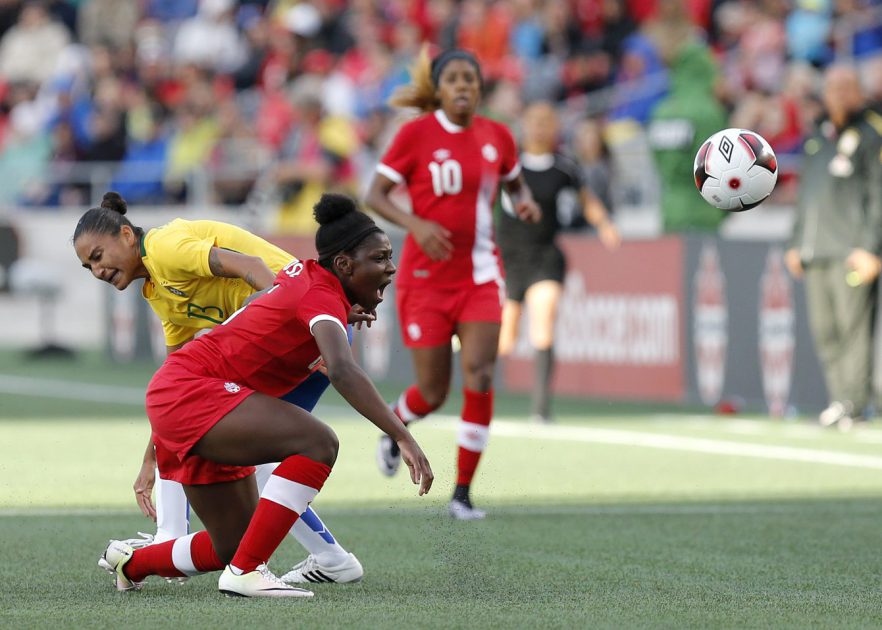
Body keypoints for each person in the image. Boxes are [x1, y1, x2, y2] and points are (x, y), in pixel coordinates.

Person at [90, 193, 433, 597]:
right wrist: (402, 435)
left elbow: (269, 300)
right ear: (343, 265)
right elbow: (342, 369)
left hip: (189, 396)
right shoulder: (314, 292)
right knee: (317, 443)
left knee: (232, 543)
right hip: (196, 394)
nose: (391, 267)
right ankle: (259, 570)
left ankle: (133, 564)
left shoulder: (310, 287)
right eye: (381, 258)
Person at [364, 48, 540, 520]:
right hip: (425, 281)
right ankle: (393, 426)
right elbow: (374, 195)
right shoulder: (416, 134)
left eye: (471, 79)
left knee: (480, 373)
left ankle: (462, 494)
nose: (463, 85)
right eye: (454, 79)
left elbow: (515, 182)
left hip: (481, 275)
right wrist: (415, 224)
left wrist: (522, 202)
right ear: (439, 89)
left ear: (480, 88)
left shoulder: (498, 136)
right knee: (434, 391)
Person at [497, 101, 621, 423]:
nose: (540, 127)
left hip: (545, 255)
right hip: (510, 257)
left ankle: (540, 408)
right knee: (506, 339)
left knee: (544, 320)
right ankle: (477, 394)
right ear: (523, 126)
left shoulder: (564, 168)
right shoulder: (507, 166)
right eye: (534, 121)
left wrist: (604, 225)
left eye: (546, 121)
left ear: (555, 128)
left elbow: (587, 200)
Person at [785, 63, 882, 430]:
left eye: (847, 88)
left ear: (859, 92)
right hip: (817, 250)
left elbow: (879, 195)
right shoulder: (818, 137)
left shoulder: (873, 134)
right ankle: (838, 398)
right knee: (825, 329)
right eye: (833, 88)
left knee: (853, 328)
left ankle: (855, 403)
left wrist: (872, 248)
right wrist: (796, 242)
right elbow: (805, 196)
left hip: (852, 250)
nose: (840, 95)